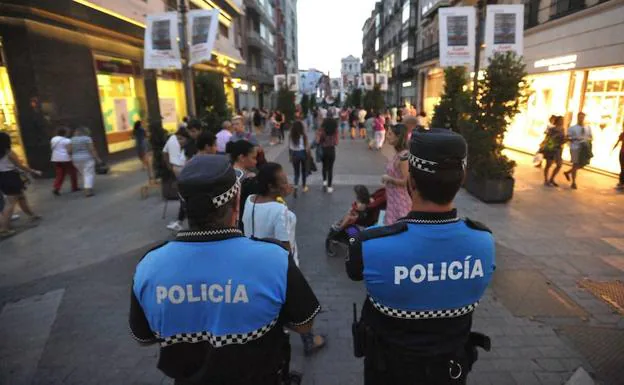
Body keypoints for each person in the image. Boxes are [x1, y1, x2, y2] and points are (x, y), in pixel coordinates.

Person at [129, 155, 322, 385]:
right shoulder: (274, 259)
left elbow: (143, 337)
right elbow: (304, 324)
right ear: (237, 202)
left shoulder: (149, 266)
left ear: (185, 206)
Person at [346, 128, 495, 385]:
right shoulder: (484, 242)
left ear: (411, 183)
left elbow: (353, 271)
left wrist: (350, 230)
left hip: (387, 372)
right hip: (450, 372)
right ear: (462, 180)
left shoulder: (371, 244)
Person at [241, 162, 327, 356]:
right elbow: (284, 248)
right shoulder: (279, 211)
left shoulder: (250, 201)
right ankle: (307, 339)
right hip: (280, 268)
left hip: (254, 263)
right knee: (297, 307)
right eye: (284, 182)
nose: (288, 184)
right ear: (271, 187)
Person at [0, 132, 42, 236]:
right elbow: (20, 166)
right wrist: (33, 171)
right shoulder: (9, 152)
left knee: (21, 197)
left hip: (3, 177)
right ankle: (4, 228)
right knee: (10, 203)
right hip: (11, 176)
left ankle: (32, 215)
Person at [167, 122, 201, 232]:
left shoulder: (200, 143)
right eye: (177, 139)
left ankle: (185, 222)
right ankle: (181, 221)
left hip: (195, 177)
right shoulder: (188, 146)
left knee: (189, 200)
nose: (179, 141)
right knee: (185, 199)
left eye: (181, 139)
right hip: (186, 177)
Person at [226, 139, 258, 231]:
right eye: (253, 158)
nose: (256, 162)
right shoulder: (242, 177)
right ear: (242, 157)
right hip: (240, 224)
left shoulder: (229, 172)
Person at [382, 124, 411, 224]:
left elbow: (406, 181)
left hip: (400, 201)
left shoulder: (404, 156)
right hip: (392, 200)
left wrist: (389, 179)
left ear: (398, 137)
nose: (387, 136)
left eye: (390, 134)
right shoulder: (398, 154)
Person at [69, 126, 101, 198]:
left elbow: (69, 151)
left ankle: (88, 188)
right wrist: (97, 159)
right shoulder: (87, 139)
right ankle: (88, 190)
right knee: (88, 174)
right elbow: (92, 149)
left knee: (84, 174)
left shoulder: (72, 139)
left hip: (76, 159)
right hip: (87, 158)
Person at [564, 112, 593, 190]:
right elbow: (567, 138)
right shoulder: (572, 128)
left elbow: (591, 137)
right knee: (575, 164)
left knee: (582, 164)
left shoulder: (588, 128)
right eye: (580, 117)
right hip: (575, 147)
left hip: (584, 148)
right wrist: (574, 139)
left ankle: (567, 172)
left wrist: (587, 141)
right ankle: (573, 182)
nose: (581, 119)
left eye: (582, 117)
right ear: (577, 118)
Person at [50, 127, 79, 195]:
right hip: (66, 158)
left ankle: (56, 187)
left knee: (60, 173)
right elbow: (69, 151)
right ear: (65, 133)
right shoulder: (67, 140)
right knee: (73, 172)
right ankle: (74, 187)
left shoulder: (53, 139)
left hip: (56, 158)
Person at [317, 110, 339, 193]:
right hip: (331, 149)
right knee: (330, 168)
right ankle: (329, 187)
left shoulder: (323, 126)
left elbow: (319, 139)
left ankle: (324, 182)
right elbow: (336, 142)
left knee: (324, 166)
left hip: (323, 149)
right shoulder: (335, 127)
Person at [541, 115, 565, 187]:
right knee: (548, 165)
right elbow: (547, 138)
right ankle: (546, 180)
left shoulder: (562, 129)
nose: (562, 121)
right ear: (557, 121)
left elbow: (562, 139)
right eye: (561, 120)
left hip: (558, 149)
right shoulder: (552, 129)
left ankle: (552, 178)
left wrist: (565, 140)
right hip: (551, 149)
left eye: (562, 120)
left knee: (559, 165)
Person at [289, 121, 310, 196]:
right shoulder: (303, 135)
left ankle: (295, 187)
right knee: (303, 171)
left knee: (296, 172)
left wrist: (290, 157)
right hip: (303, 153)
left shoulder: (291, 135)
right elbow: (307, 147)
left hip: (294, 154)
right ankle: (304, 186)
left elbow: (290, 147)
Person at [613, 121, 624, 190]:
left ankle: (621, 182)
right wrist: (613, 148)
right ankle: (621, 182)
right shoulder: (622, 134)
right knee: (622, 168)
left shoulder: (622, 134)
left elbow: (617, 142)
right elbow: (618, 141)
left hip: (622, 153)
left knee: (623, 168)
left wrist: (614, 147)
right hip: (622, 153)